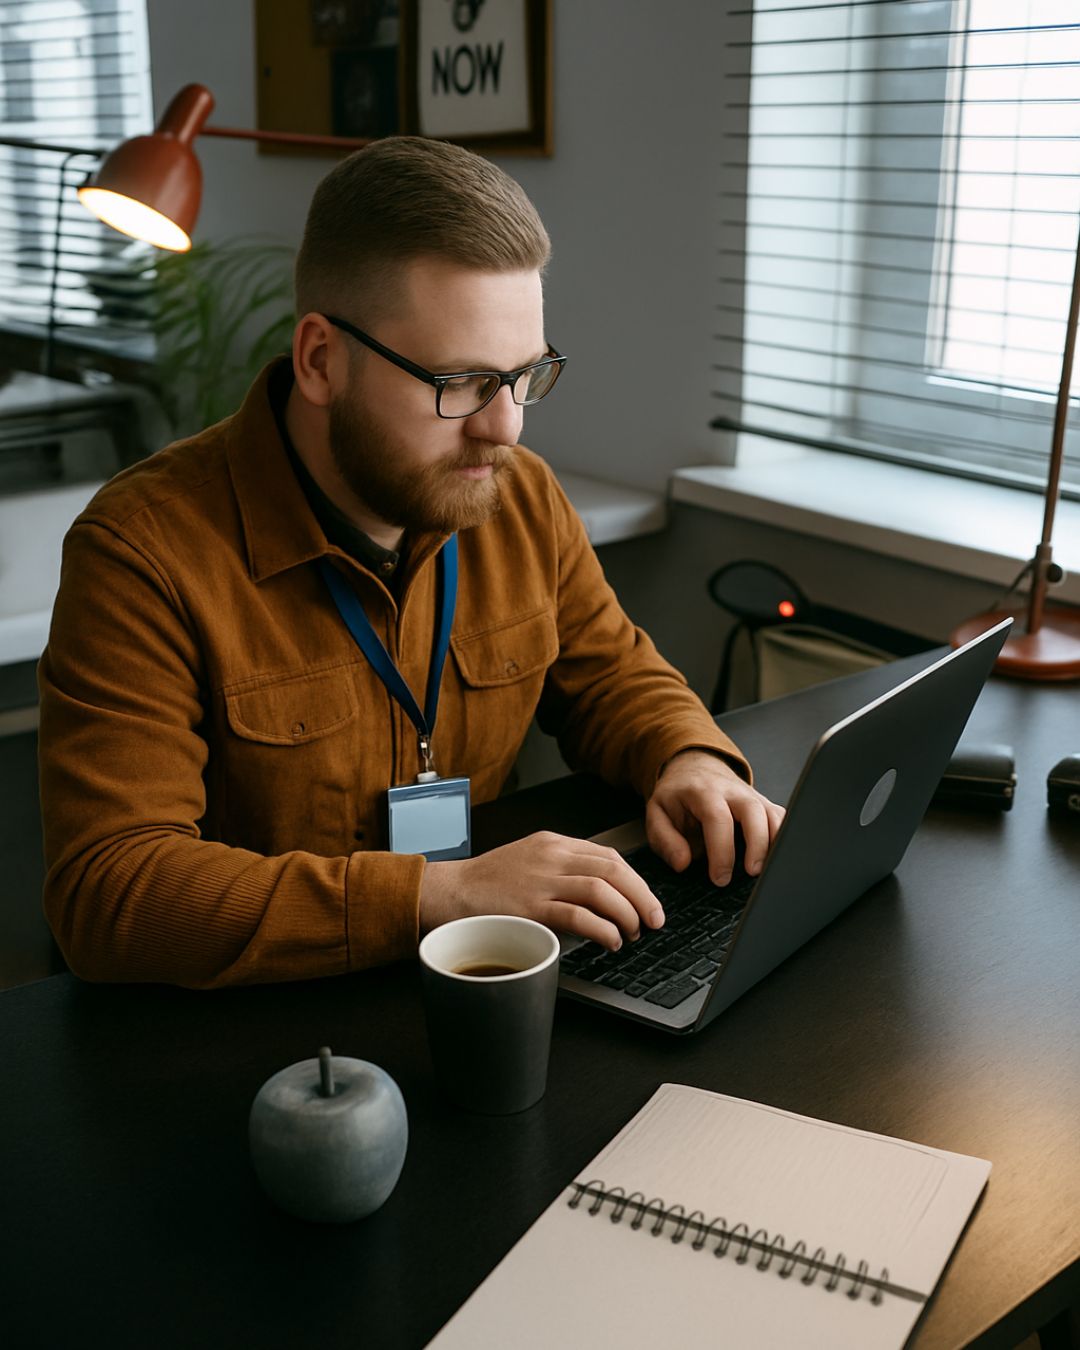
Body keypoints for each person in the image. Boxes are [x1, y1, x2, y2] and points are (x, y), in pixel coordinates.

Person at [37, 136, 784, 988]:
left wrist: (687, 757)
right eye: (461, 382)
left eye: (525, 377)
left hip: (469, 986)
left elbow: (612, 673)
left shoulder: (518, 495)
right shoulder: (142, 552)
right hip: (254, 1035)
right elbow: (112, 892)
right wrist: (435, 894)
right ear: (322, 360)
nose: (505, 428)